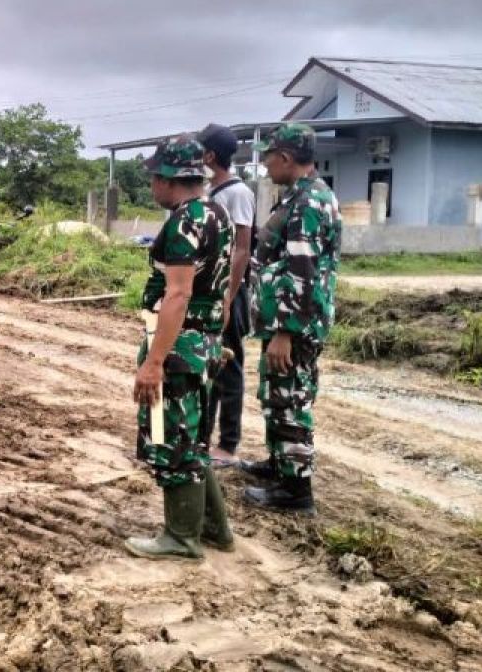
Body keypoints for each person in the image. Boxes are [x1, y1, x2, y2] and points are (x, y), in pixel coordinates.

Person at [125, 133, 234, 561]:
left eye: (154, 176)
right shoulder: (217, 214)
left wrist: (154, 362)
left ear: (169, 178)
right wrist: (213, 340)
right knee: (192, 437)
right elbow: (221, 288)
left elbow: (178, 294)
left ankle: (181, 537)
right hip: (200, 340)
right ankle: (214, 529)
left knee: (173, 439)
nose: (151, 185)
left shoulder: (183, 224)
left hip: (178, 344)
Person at [241, 123, 341, 515]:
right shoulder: (300, 196)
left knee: (291, 397)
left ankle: (296, 492)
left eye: (268, 156)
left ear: (285, 157)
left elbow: (303, 270)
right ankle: (280, 464)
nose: (264, 164)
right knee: (277, 394)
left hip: (295, 325)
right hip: (285, 320)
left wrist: (285, 331)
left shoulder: (308, 202)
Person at [199, 124, 256, 466]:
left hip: (229, 292)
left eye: (200, 151)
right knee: (208, 364)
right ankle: (203, 436)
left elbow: (242, 248)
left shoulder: (238, 194)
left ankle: (228, 444)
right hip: (209, 289)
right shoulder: (210, 190)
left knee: (229, 366)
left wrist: (228, 295)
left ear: (210, 156)